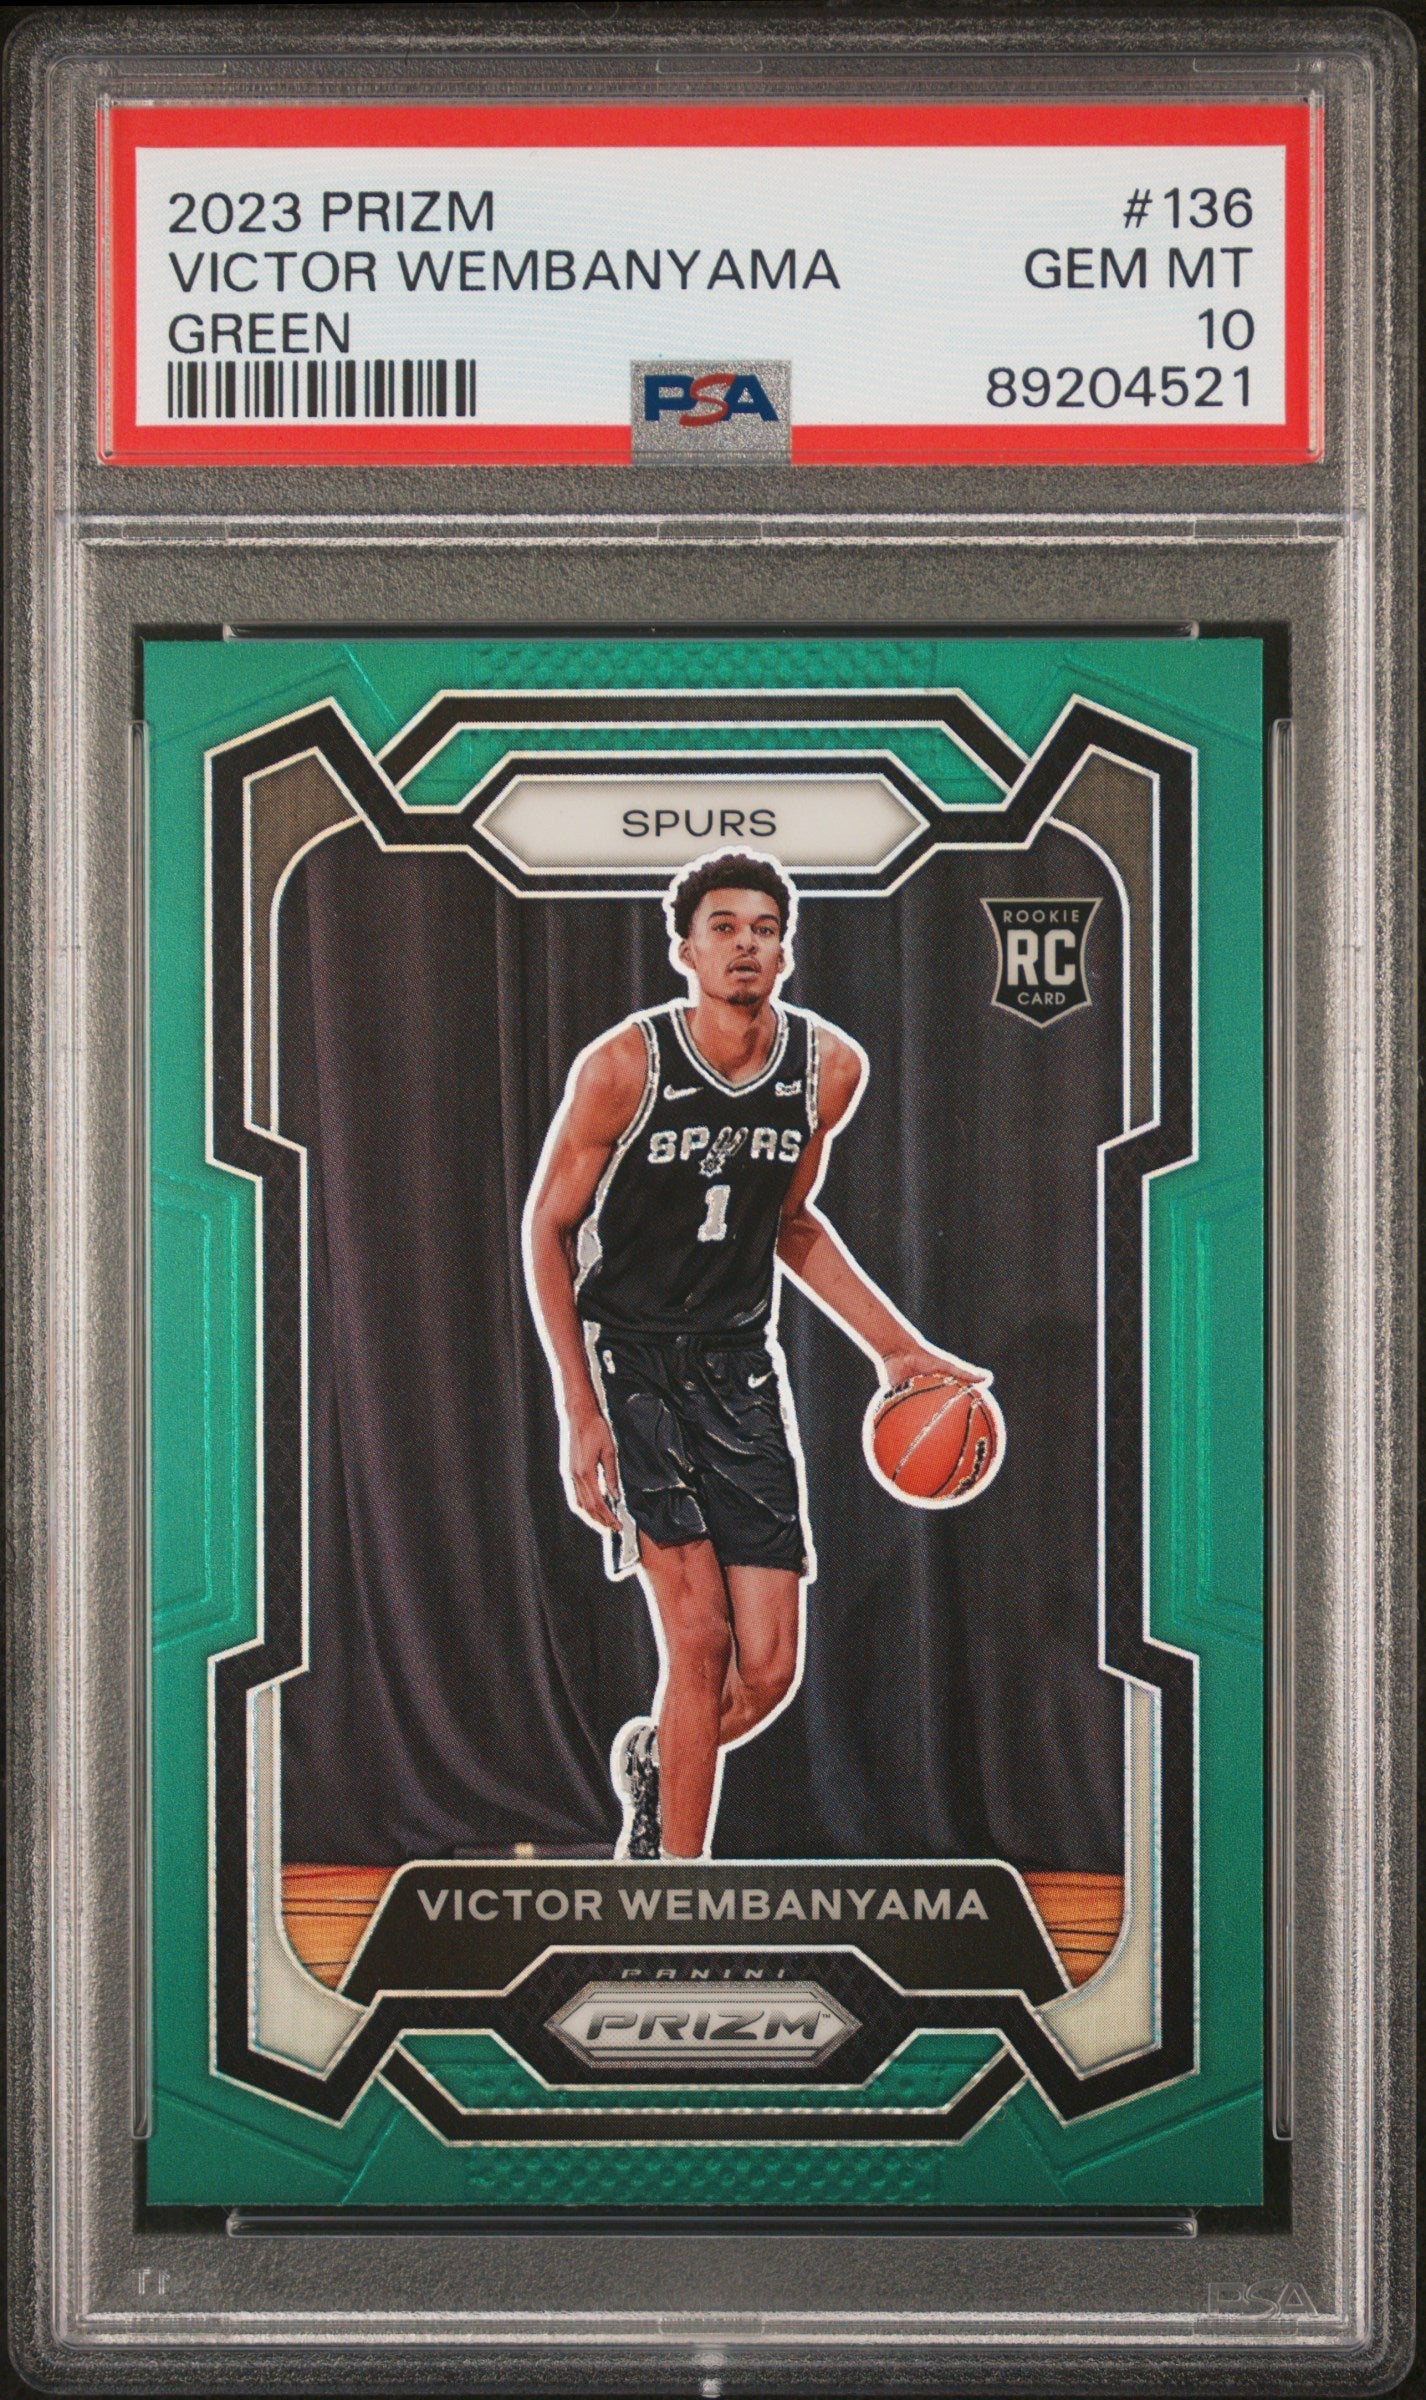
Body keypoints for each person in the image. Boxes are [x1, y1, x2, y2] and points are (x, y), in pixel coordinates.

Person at [524, 850, 991, 1860]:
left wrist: (898, 1351)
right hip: (631, 1361)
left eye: (765, 929)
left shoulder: (828, 1070)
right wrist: (578, 1407)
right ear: (684, 951)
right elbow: (547, 1228)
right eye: (724, 928)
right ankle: (671, 1890)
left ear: (786, 951)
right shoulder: (623, 1066)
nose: (746, 944)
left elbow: (791, 1221)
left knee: (769, 1670)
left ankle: (656, 1765)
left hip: (738, 1367)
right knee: (697, 1641)